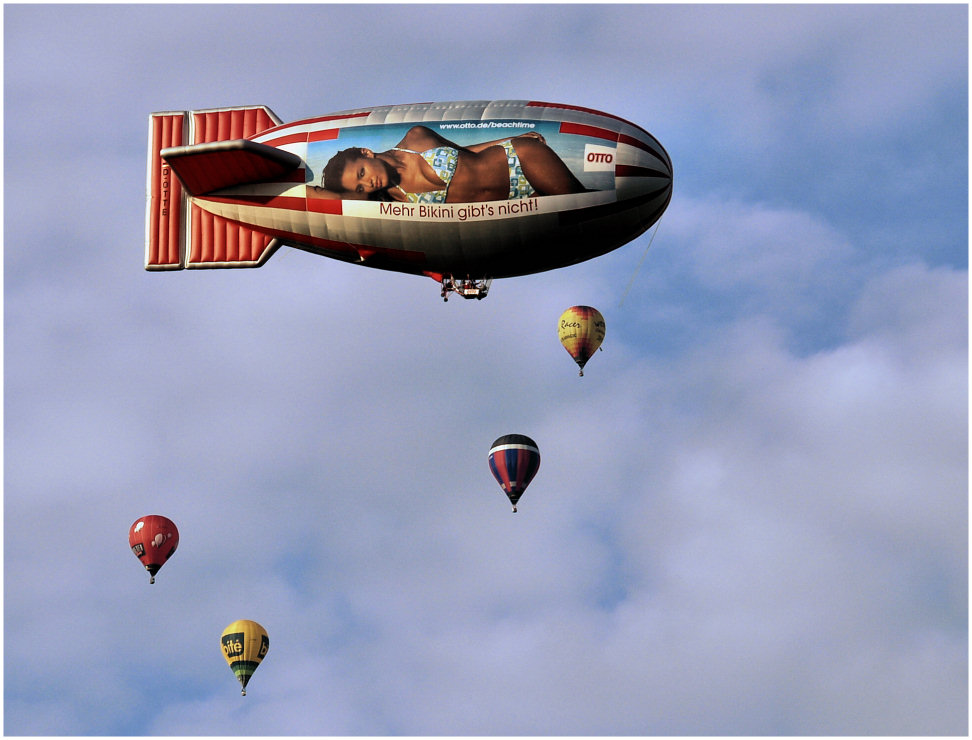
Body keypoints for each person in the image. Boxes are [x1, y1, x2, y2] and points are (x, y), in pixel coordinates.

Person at [310, 125, 589, 203]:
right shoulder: (395, 203)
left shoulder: (416, 137)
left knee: (584, 210)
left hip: (520, 160)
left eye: (361, 172)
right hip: (516, 202)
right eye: (359, 188)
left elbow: (464, 152)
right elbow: (326, 198)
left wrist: (512, 138)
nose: (367, 183)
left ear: (366, 152)